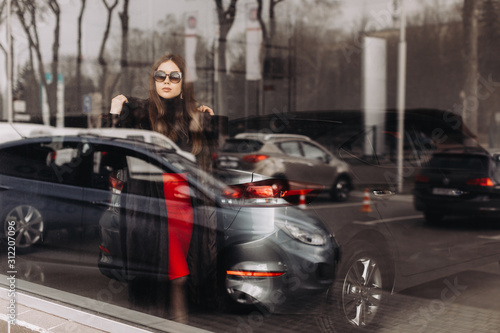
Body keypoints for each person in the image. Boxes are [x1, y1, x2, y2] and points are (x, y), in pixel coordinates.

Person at [108, 53, 218, 323]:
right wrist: (113, 113)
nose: (166, 81)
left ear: (183, 82)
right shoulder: (138, 114)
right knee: (174, 277)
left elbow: (207, 164)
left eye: (174, 76)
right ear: (153, 80)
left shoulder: (193, 116)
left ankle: (178, 327)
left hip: (185, 206)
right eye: (160, 75)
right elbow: (112, 157)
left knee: (182, 276)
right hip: (152, 204)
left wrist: (209, 126)